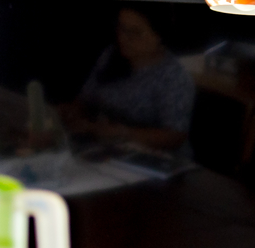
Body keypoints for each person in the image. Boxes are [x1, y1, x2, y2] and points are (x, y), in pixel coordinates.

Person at [63, 8, 197, 156]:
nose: (123, 38)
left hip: (156, 159)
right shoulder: (111, 56)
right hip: (110, 150)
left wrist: (123, 133)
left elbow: (174, 136)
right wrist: (70, 114)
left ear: (159, 36)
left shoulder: (174, 77)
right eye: (121, 28)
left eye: (134, 33)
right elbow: (84, 100)